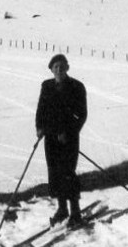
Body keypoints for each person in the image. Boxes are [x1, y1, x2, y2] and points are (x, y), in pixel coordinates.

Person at [34, 53, 88, 227]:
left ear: (67, 68)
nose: (58, 70)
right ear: (51, 69)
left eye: (62, 66)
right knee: (55, 173)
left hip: (68, 139)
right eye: (55, 67)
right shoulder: (47, 85)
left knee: (68, 173)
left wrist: (69, 132)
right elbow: (41, 109)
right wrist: (39, 127)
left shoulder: (77, 87)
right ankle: (62, 209)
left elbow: (81, 114)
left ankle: (76, 212)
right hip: (50, 137)